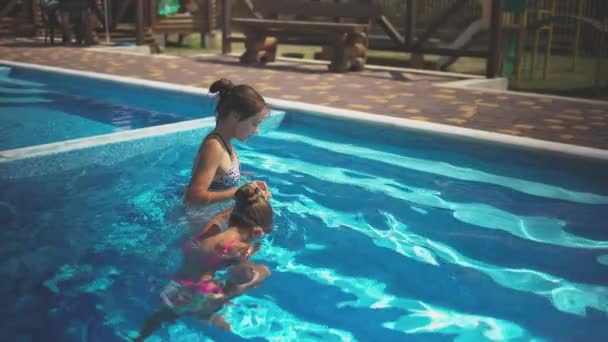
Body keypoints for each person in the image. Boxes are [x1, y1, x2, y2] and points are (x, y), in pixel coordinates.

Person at [135, 183, 273, 341]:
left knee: (159, 318)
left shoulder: (210, 231)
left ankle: (140, 337)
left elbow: (223, 216)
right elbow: (237, 276)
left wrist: (248, 202)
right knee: (263, 272)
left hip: (173, 288)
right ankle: (206, 314)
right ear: (257, 231)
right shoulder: (238, 248)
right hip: (197, 297)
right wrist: (248, 260)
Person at [183, 78, 270, 225]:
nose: (257, 130)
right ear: (235, 116)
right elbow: (192, 197)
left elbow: (222, 179)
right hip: (200, 222)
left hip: (215, 216)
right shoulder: (214, 147)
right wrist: (237, 193)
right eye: (254, 123)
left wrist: (251, 188)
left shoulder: (227, 145)